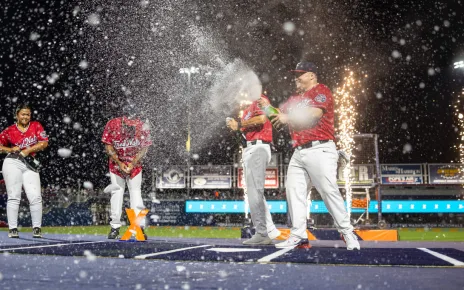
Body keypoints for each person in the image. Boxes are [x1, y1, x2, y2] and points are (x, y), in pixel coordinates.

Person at [258, 61, 360, 250]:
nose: (296, 77)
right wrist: (267, 107)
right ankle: (298, 236)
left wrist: (287, 118)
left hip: (320, 148)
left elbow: (314, 113)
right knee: (293, 191)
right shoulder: (295, 98)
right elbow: (278, 114)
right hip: (299, 151)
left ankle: (347, 232)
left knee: (328, 191)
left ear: (312, 75)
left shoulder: (321, 90)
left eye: (301, 74)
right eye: (296, 74)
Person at [226, 94, 281, 245]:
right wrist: (237, 129)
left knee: (254, 192)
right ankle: (269, 229)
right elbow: (246, 132)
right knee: (255, 192)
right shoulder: (246, 110)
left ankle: (262, 233)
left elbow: (263, 119)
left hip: (258, 147)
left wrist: (239, 125)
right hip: (250, 147)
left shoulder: (259, 99)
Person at [101, 105, 152, 239]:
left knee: (136, 193)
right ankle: (115, 227)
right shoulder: (112, 124)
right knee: (117, 192)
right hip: (116, 164)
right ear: (123, 120)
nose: (131, 128)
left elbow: (144, 149)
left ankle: (137, 227)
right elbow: (108, 146)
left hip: (134, 164)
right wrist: (119, 162)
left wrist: (133, 162)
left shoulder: (142, 126)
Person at [0, 103, 49, 238]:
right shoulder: (9, 130)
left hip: (29, 163)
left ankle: (37, 228)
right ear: (17, 115)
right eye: (23, 114)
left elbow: (44, 143)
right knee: (14, 196)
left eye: (28, 114)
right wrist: (9, 149)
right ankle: (13, 229)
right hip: (13, 162)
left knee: (35, 197)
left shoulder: (36, 126)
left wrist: (27, 150)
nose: (26, 116)